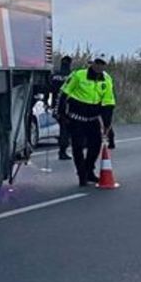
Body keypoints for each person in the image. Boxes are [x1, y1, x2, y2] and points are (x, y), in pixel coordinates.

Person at [60, 57, 117, 187]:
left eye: (102, 64)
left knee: (95, 146)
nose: (99, 66)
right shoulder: (79, 75)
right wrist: (61, 114)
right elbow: (64, 93)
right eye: (97, 63)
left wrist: (107, 124)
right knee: (78, 146)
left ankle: (88, 170)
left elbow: (108, 103)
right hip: (76, 118)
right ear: (92, 63)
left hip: (92, 119)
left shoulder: (107, 80)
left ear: (104, 66)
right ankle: (82, 175)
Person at [50, 56, 74, 160]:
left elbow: (48, 88)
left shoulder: (54, 75)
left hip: (56, 104)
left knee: (63, 127)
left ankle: (63, 149)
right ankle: (62, 151)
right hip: (68, 106)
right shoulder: (71, 76)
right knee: (65, 129)